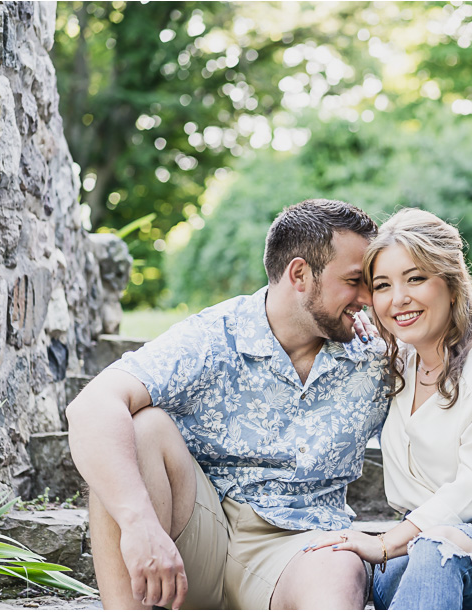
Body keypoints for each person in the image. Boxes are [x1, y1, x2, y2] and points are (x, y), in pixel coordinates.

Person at [66, 199, 391, 610]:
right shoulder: (215, 336)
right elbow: (91, 406)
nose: (368, 296)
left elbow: (450, 372)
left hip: (300, 548)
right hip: (200, 532)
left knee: (339, 569)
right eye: (354, 281)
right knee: (142, 427)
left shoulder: (376, 354)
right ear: (300, 274)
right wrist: (139, 525)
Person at [307, 208, 472, 609]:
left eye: (415, 278)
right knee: (345, 565)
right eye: (382, 286)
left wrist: (385, 543)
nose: (398, 299)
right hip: (422, 544)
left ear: (451, 285)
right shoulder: (396, 365)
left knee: (436, 547)